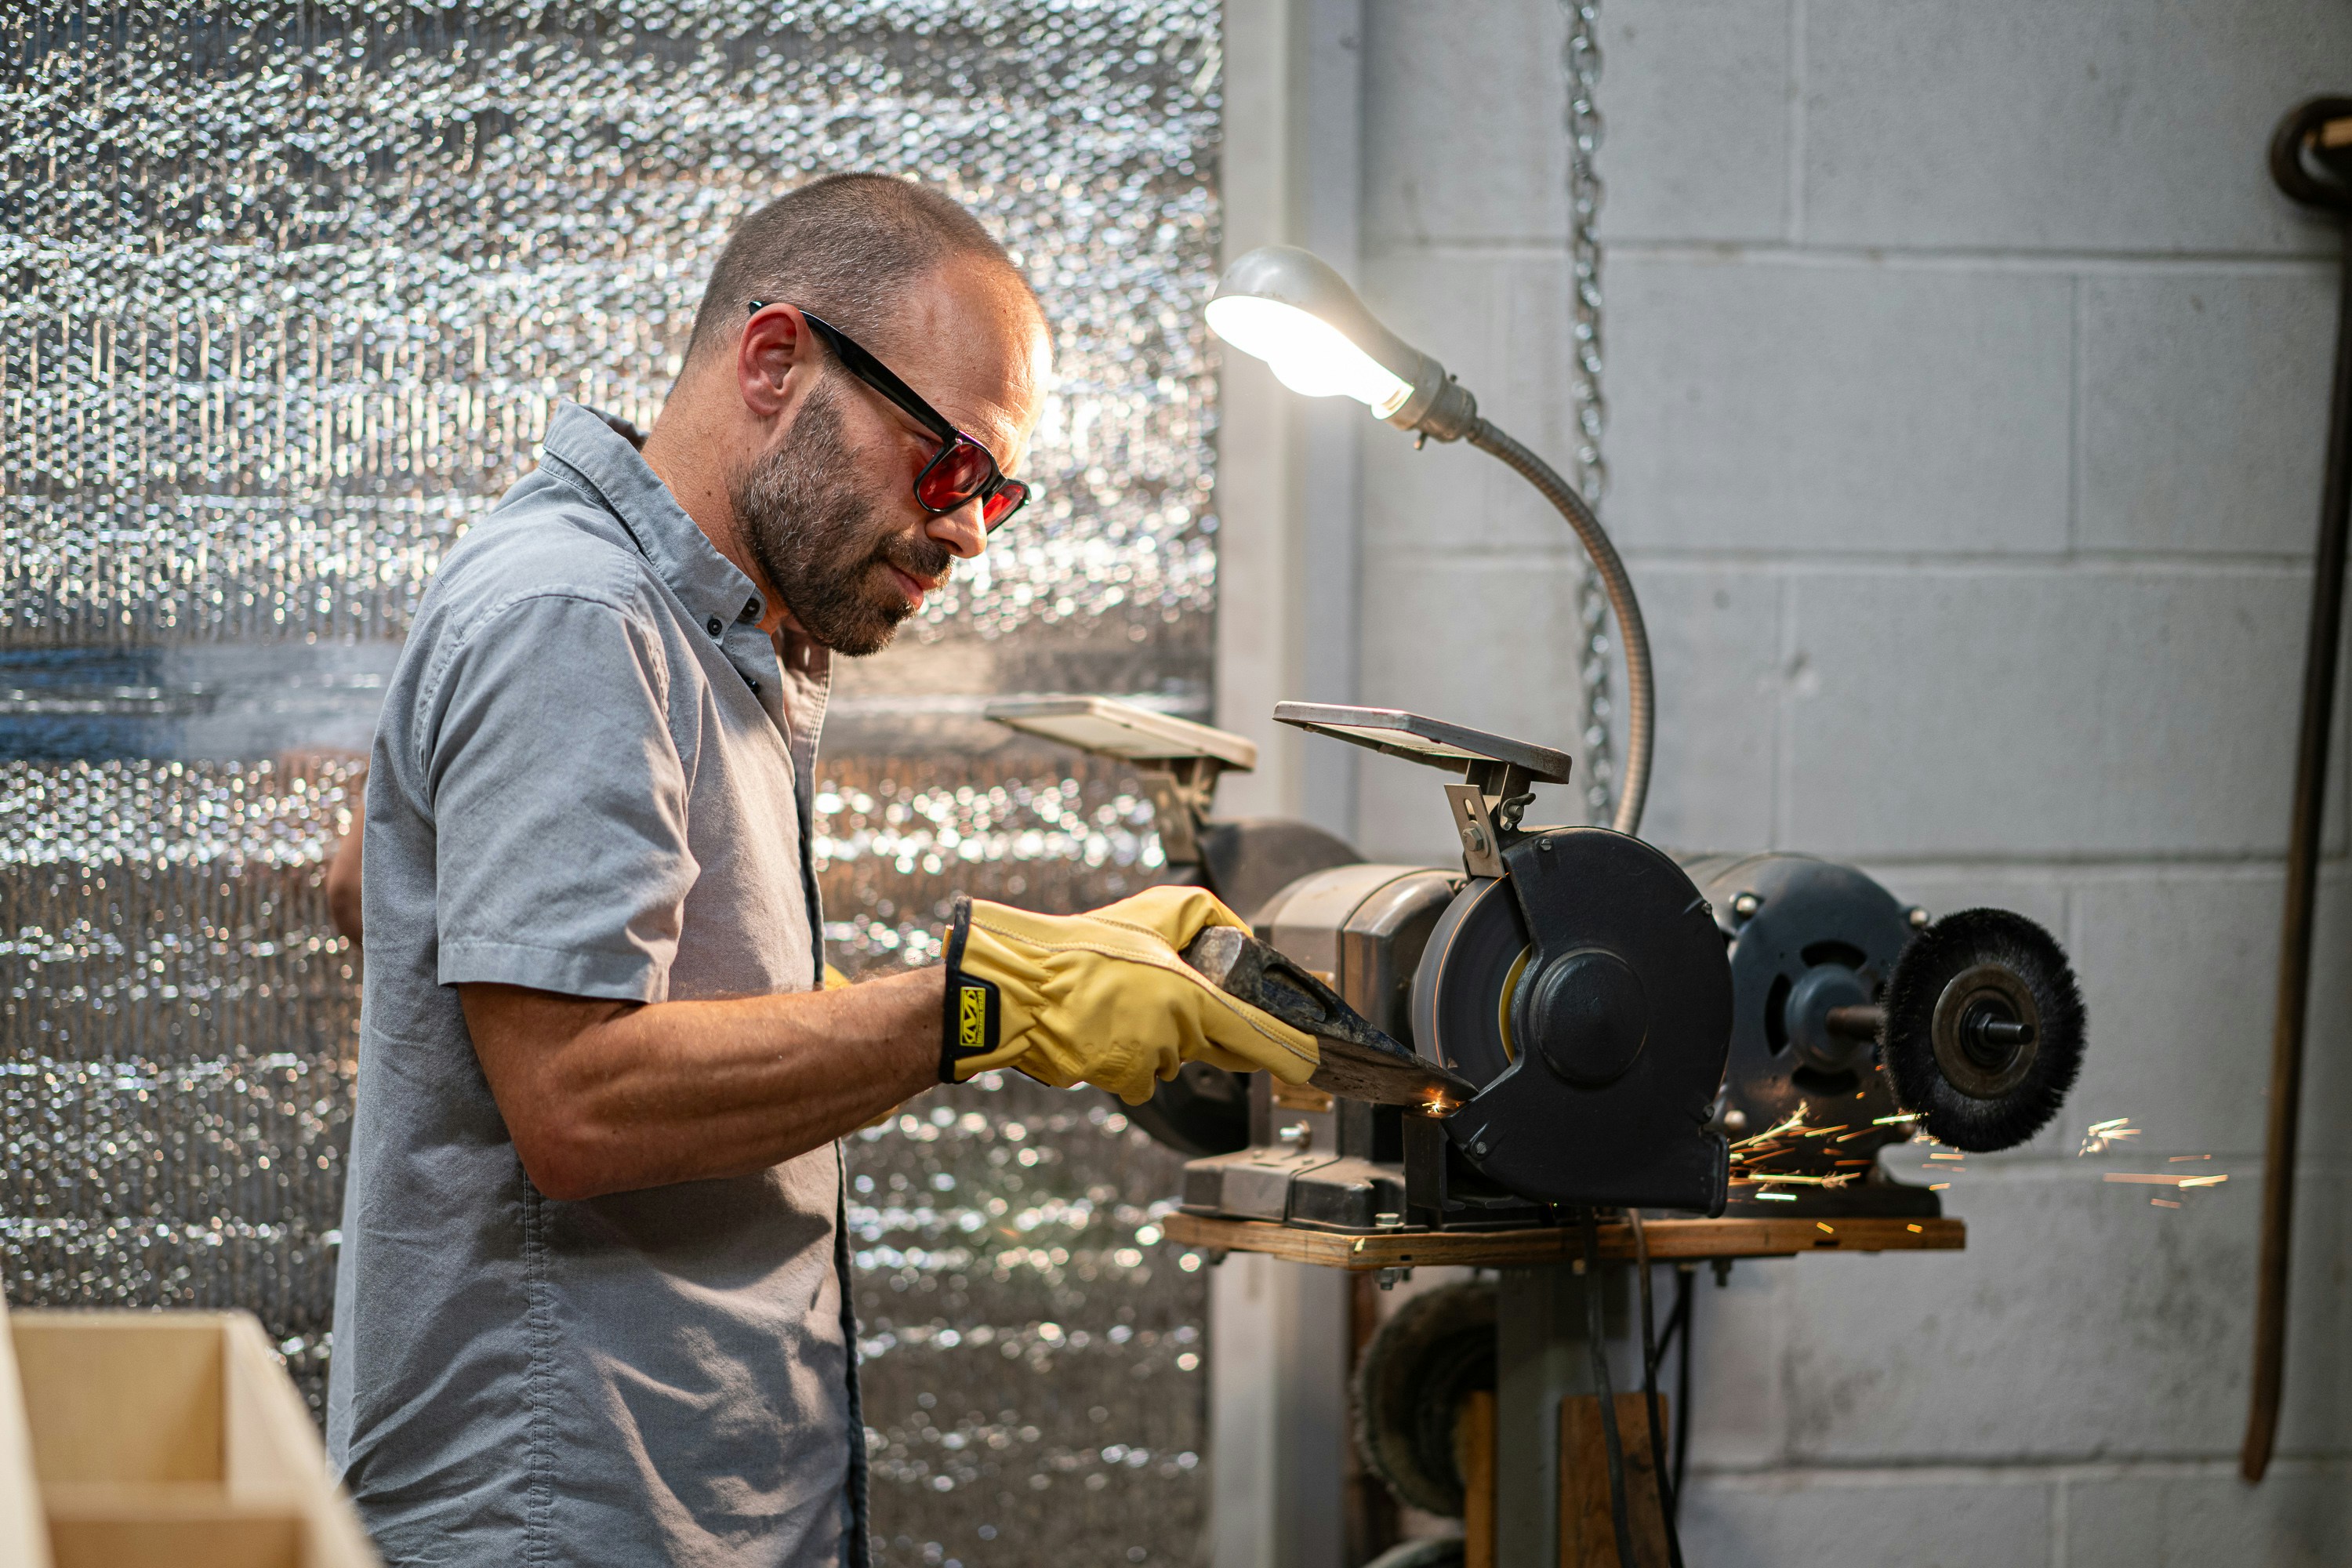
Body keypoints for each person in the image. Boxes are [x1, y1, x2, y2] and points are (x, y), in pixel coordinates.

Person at [325, 173, 1319, 1568]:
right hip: (562, 1517)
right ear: (778, 362)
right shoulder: (578, 615)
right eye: (948, 464)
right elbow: (574, 1102)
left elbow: (376, 891)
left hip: (679, 1508)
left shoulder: (717, 640)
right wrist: (981, 1004)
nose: (970, 530)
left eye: (998, 492)